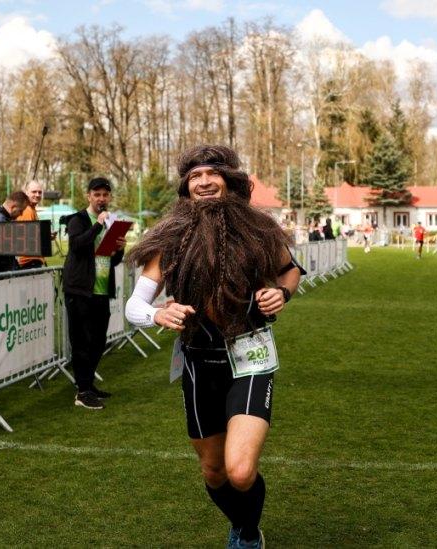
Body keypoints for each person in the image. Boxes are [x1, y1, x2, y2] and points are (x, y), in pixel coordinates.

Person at [125, 145, 302, 549]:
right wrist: (157, 314)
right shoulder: (170, 238)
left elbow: (290, 270)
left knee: (239, 470)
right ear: (186, 187)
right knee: (214, 471)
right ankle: (243, 523)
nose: (204, 182)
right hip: (198, 363)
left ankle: (248, 535)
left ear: (230, 181)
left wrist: (281, 293)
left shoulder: (259, 230)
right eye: (195, 177)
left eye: (212, 174)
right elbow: (135, 304)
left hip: (251, 357)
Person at [63, 177, 125, 410]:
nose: (101, 199)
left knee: (98, 342)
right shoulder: (77, 220)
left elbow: (111, 259)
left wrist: (120, 249)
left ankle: (87, 384)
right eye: (97, 194)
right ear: (88, 196)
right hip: (80, 290)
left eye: (105, 195)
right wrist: (98, 224)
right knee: (81, 342)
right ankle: (83, 392)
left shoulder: (110, 222)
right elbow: (77, 246)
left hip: (101, 289)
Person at [17, 180, 46, 270]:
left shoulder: (31, 208)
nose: (37, 195)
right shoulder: (27, 210)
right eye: (34, 192)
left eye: (39, 192)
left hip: (31, 260)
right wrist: (45, 236)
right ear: (26, 193)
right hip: (29, 261)